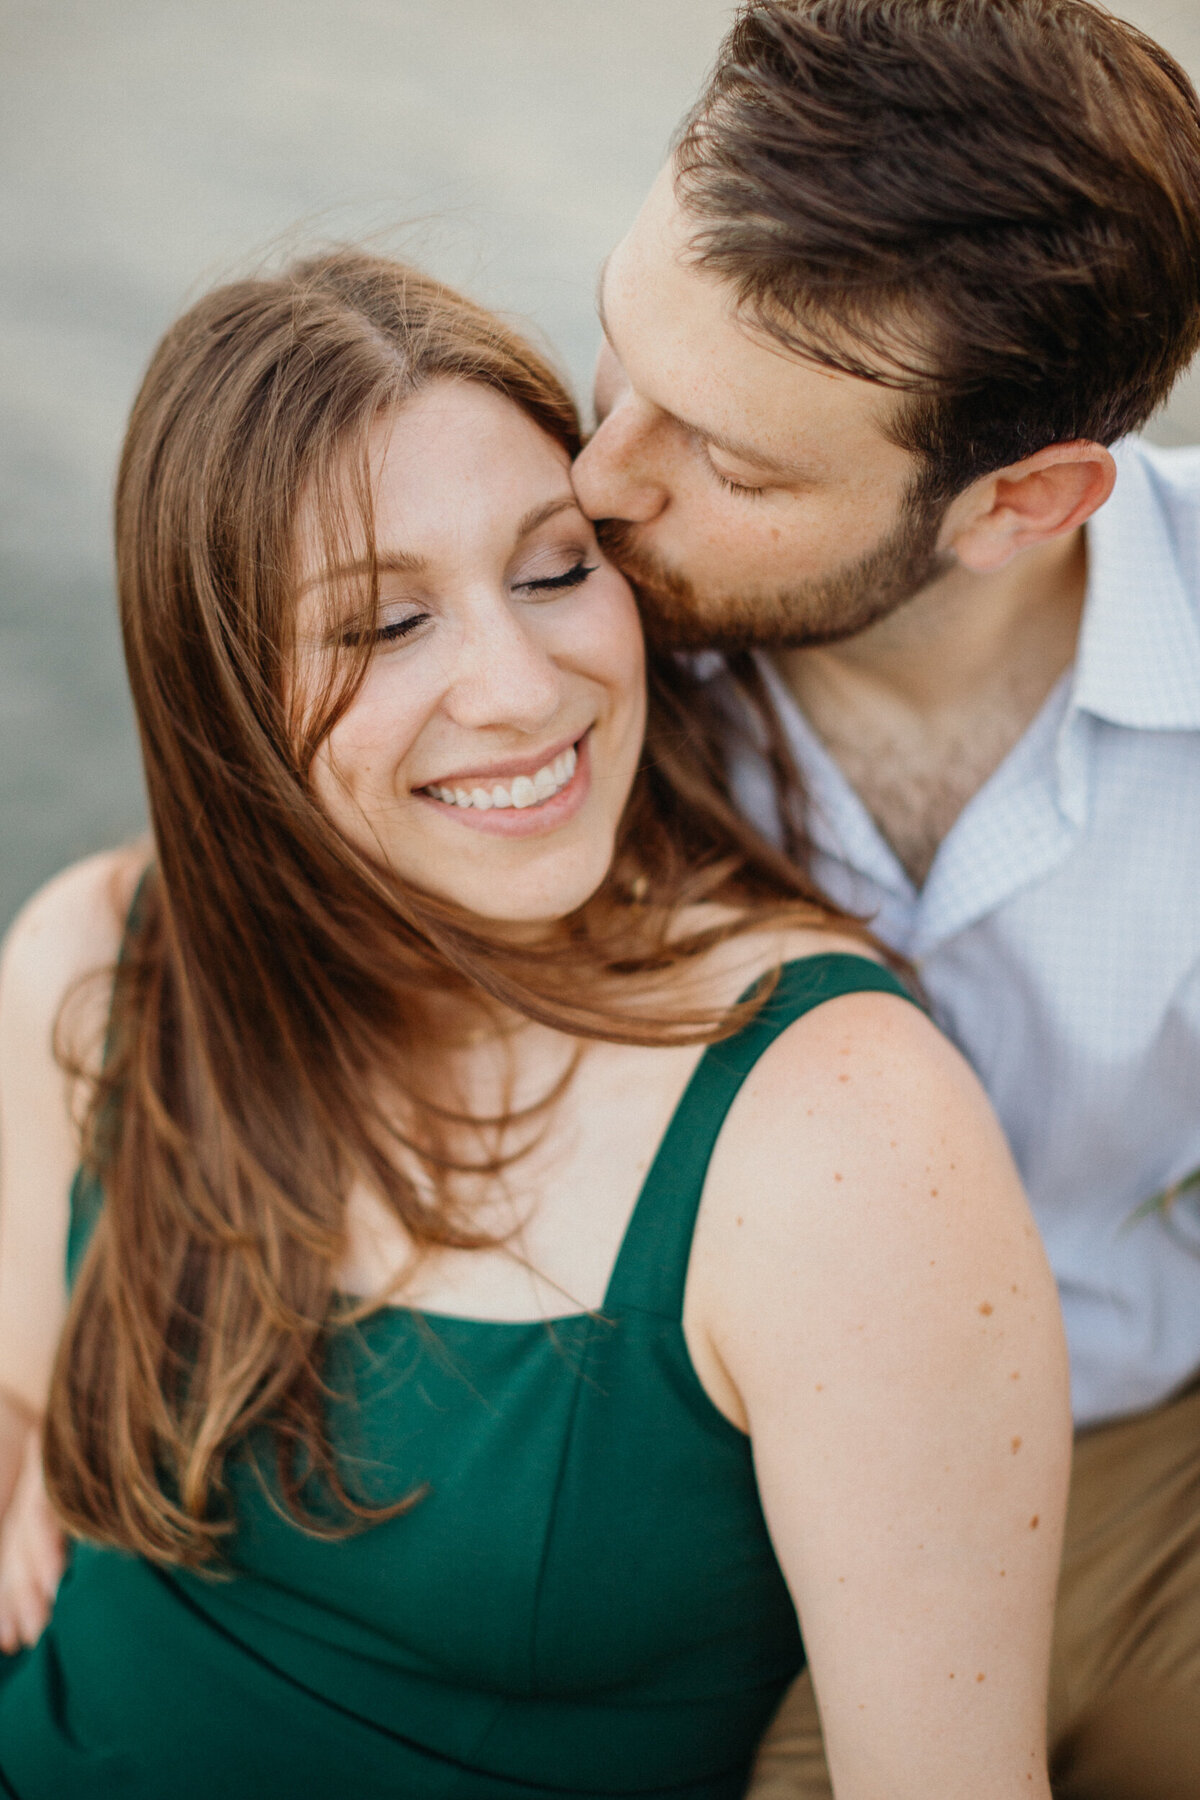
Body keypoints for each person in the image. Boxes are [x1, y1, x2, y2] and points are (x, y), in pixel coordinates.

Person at [0, 251, 1066, 1798]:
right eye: (380, 627)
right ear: (220, 692)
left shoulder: (837, 1129)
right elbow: (21, 1374)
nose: (517, 687)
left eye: (557, 569)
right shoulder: (96, 954)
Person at [570, 1, 1200, 1796]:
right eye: (618, 357)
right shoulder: (545, 604)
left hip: (1132, 1462)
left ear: (1026, 501)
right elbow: (156, 915)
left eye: (733, 463)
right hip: (660, 1494)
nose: (601, 481)